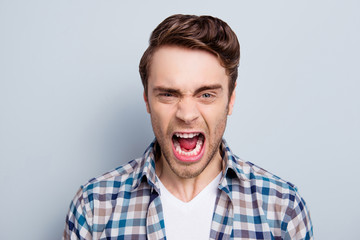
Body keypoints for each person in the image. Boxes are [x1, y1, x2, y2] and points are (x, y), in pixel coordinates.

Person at [63, 14, 313, 240]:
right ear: (147, 100)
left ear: (230, 100)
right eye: (168, 95)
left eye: (206, 95)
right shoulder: (94, 208)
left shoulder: (282, 209)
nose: (187, 114)